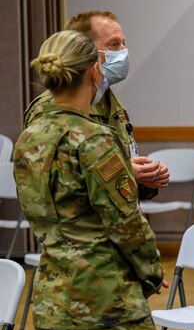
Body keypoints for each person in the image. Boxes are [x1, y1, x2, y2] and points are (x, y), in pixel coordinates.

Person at [13, 30, 172, 330]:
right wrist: (150, 272)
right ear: (93, 70)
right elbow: (125, 224)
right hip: (106, 305)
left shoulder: (29, 137)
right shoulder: (93, 140)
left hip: (52, 298)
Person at [24, 10, 169, 200]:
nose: (123, 52)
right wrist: (122, 173)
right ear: (84, 51)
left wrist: (144, 180)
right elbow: (44, 188)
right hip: (78, 229)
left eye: (123, 44)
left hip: (116, 225)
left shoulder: (109, 102)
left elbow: (115, 178)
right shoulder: (49, 109)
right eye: (114, 44)